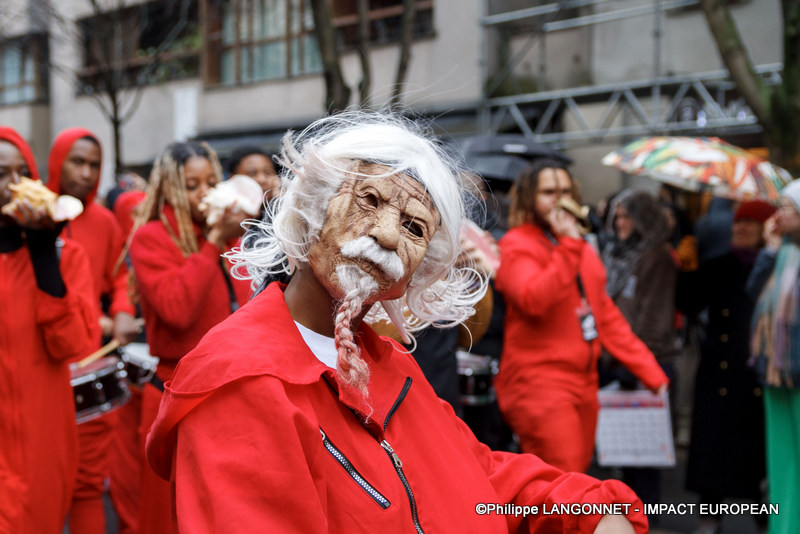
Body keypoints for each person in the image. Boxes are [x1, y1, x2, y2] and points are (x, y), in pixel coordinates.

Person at [145, 112, 649, 534]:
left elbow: (473, 474)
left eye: (414, 227)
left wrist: (590, 510)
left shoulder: (390, 368)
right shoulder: (244, 384)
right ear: (314, 205)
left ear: (418, 271)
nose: (387, 236)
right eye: (369, 200)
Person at [495, 158, 669, 473]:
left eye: (565, 191)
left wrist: (651, 372)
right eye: (548, 192)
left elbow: (604, 315)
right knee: (567, 480)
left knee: (573, 477)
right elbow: (534, 299)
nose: (559, 200)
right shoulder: (516, 244)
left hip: (585, 381)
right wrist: (570, 246)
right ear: (529, 198)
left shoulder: (579, 247)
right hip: (539, 383)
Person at [128, 140, 251, 534]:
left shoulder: (232, 237)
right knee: (167, 517)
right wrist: (212, 243)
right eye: (192, 185)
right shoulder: (151, 238)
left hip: (229, 391)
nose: (205, 193)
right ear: (169, 190)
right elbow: (177, 310)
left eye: (212, 182)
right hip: (174, 392)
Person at [0, 126, 98, 532]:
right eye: (1, 173)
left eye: (22, 173)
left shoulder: (65, 255)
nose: (12, 185)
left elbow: (73, 345)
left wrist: (45, 264)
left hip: (43, 434)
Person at [45, 127, 140, 534]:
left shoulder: (103, 220)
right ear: (57, 162)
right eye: (77, 161)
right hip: (44, 363)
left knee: (87, 484)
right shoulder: (34, 215)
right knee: (41, 478)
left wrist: (119, 311)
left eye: (94, 165)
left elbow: (118, 277)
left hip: (88, 361)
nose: (86, 173)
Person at [677, 200, 775, 534]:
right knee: (712, 447)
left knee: (756, 451)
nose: (740, 228)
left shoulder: (776, 267)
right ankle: (709, 517)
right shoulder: (719, 265)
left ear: (766, 229)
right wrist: (687, 268)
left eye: (750, 223)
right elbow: (689, 302)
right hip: (717, 371)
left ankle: (765, 518)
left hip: (756, 374)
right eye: (737, 223)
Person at [601, 189, 679, 515]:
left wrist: (635, 361)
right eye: (617, 215)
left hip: (647, 362)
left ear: (643, 218)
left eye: (627, 215)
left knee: (645, 457)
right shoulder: (617, 253)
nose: (620, 223)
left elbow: (654, 316)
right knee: (622, 454)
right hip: (619, 361)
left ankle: (647, 519)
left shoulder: (658, 255)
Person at [747, 181, 800, 534]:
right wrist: (768, 249)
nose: (778, 215)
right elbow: (752, 292)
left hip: (795, 371)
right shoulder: (780, 251)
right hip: (775, 372)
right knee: (781, 459)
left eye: (788, 209)